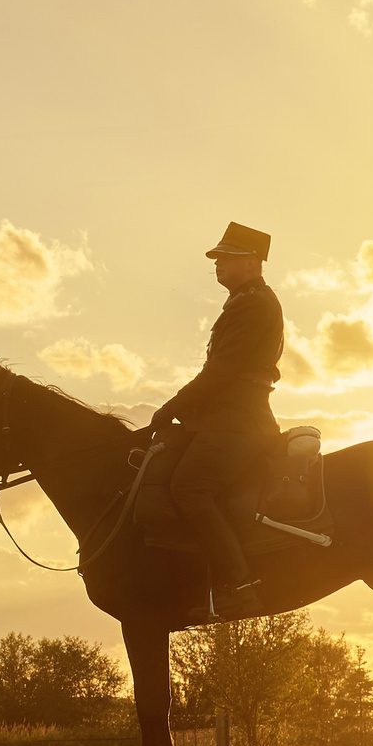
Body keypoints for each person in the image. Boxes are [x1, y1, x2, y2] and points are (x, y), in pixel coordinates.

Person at [152, 222, 283, 621]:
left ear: (251, 262)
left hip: (239, 422)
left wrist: (172, 406)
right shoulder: (247, 300)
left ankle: (241, 586)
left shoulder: (253, 303)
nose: (218, 264)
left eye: (227, 258)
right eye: (217, 258)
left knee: (189, 489)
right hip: (229, 418)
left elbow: (222, 370)